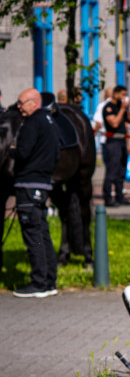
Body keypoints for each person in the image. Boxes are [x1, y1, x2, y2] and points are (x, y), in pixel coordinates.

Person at [10, 89, 60, 297]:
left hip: (28, 184)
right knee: (42, 233)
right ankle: (49, 281)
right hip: (43, 184)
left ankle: (38, 282)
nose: (19, 107)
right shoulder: (50, 122)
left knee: (33, 234)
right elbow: (57, 153)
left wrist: (12, 149)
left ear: (33, 103)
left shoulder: (32, 123)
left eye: (21, 103)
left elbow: (22, 152)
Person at [101, 85, 130, 207]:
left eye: (125, 95)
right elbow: (114, 123)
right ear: (115, 94)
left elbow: (129, 121)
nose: (124, 97)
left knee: (121, 171)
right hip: (113, 142)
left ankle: (120, 197)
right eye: (122, 94)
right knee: (112, 171)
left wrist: (126, 109)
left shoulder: (122, 107)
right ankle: (108, 198)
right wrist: (121, 110)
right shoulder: (108, 108)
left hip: (122, 142)